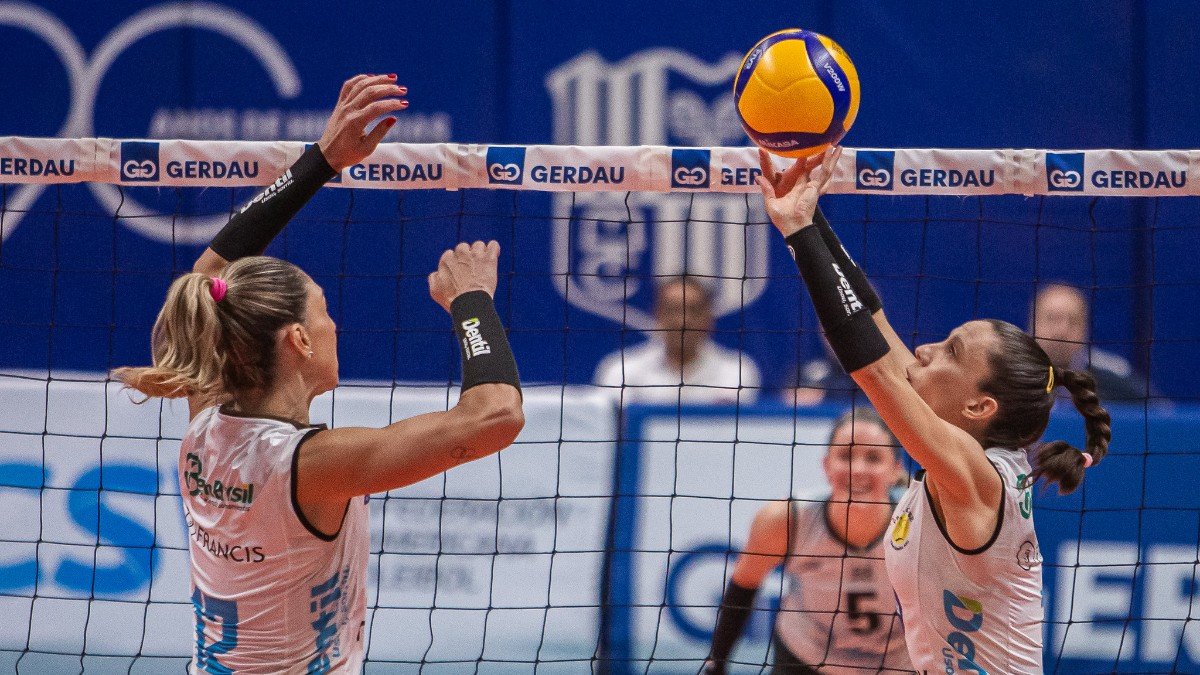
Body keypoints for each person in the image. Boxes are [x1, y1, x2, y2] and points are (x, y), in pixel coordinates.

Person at [113, 75, 525, 673]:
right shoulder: (312, 465)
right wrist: (473, 301)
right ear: (299, 341)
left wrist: (322, 160)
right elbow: (496, 416)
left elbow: (206, 279)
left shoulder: (205, 424)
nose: (337, 325)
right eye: (325, 314)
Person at [754, 147, 1111, 673]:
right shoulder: (966, 460)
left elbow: (872, 369)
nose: (923, 350)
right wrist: (807, 217)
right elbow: (873, 322)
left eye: (951, 351)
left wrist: (800, 233)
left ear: (978, 405)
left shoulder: (977, 475)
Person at [704, 408, 914, 674]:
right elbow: (743, 587)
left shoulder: (918, 523)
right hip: (806, 656)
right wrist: (716, 663)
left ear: (895, 470)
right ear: (826, 466)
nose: (858, 469)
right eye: (846, 456)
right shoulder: (786, 520)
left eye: (873, 458)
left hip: (898, 663)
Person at [594, 276, 761, 404]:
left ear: (709, 319)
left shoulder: (737, 372)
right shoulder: (621, 371)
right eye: (673, 310)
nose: (682, 321)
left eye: (693, 310)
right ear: (657, 315)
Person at [1030, 282, 1153, 402]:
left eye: (1073, 321)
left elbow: (1162, 414)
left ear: (1086, 328)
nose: (1062, 331)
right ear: (1032, 324)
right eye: (1052, 319)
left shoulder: (1116, 381)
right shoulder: (1013, 377)